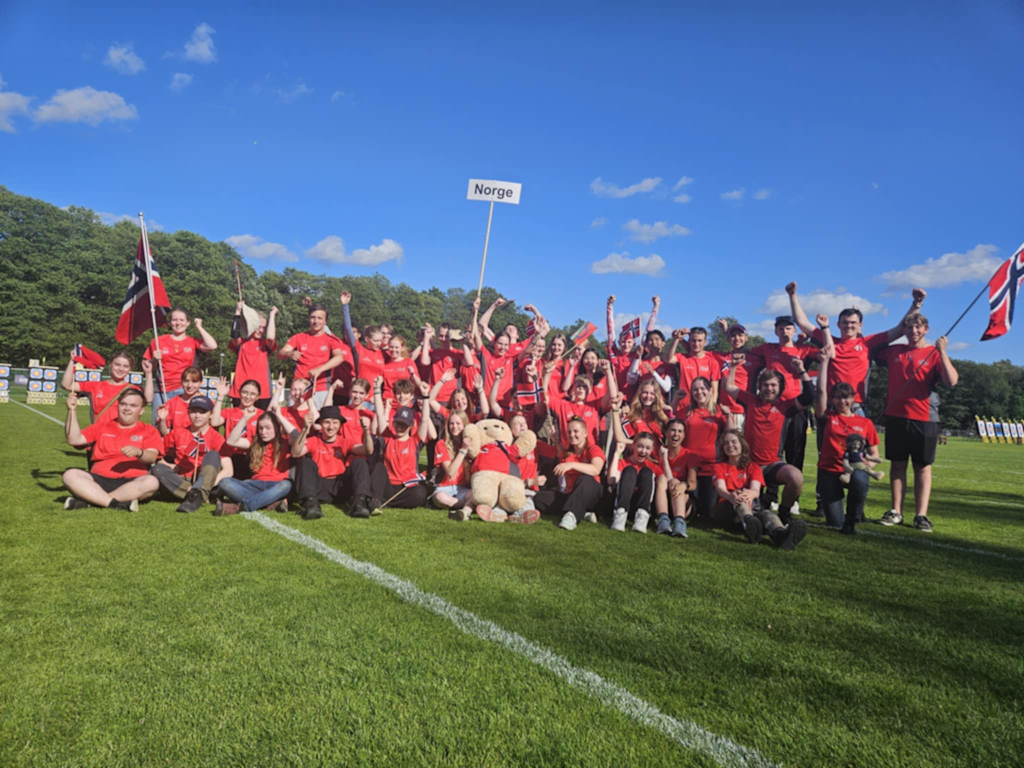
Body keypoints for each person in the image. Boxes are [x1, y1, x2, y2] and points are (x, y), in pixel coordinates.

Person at [874, 313, 959, 532]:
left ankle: (921, 515)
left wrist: (942, 351)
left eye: (917, 327)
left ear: (926, 329)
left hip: (924, 418)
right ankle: (896, 511)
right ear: (903, 329)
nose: (913, 331)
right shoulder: (894, 351)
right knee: (897, 465)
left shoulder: (934, 353)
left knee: (922, 467)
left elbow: (951, 381)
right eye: (909, 327)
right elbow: (872, 347)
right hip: (896, 416)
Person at [724, 352, 815, 521]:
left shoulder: (786, 407)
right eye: (765, 385)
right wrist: (734, 367)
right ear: (760, 386)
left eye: (773, 385)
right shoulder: (750, 401)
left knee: (796, 477)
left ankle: (784, 512)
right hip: (749, 465)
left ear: (780, 387)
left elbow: (810, 395)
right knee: (743, 511)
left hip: (772, 464)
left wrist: (802, 371)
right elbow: (729, 387)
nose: (769, 388)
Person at [814, 346, 880, 534]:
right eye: (837, 398)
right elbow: (820, 392)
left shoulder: (865, 423)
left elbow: (875, 453)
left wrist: (867, 464)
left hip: (853, 470)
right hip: (829, 473)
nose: (842, 402)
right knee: (835, 523)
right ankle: (842, 517)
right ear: (832, 399)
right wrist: (824, 363)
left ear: (853, 398)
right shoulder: (827, 417)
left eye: (846, 398)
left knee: (860, 479)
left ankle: (853, 518)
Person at [62, 388, 162, 510]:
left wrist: (139, 452)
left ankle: (92, 500)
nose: (127, 408)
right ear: (118, 406)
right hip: (99, 480)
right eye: (123, 404)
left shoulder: (149, 430)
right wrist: (71, 410)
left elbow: (152, 457)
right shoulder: (102, 426)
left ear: (141, 410)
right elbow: (74, 440)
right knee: (70, 475)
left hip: (132, 482)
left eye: (133, 405)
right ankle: (114, 504)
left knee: (152, 482)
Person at [709, 430, 809, 549]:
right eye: (726, 443)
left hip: (752, 509)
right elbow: (720, 488)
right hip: (728, 510)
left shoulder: (754, 467)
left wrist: (751, 493)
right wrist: (730, 496)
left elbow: (755, 490)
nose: (730, 445)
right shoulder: (719, 467)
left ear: (742, 444)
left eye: (733, 442)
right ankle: (749, 524)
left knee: (766, 513)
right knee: (740, 501)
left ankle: (782, 535)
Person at [747, 315, 818, 478]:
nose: (784, 332)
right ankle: (769, 490)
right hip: (773, 407)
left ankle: (794, 490)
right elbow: (745, 350)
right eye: (781, 329)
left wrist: (809, 338)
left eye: (788, 328)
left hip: (796, 406)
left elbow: (826, 354)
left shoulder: (804, 349)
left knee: (796, 449)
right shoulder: (768, 348)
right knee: (771, 450)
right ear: (776, 332)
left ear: (794, 331)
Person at [292, 405, 375, 520]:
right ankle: (311, 504)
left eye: (335, 422)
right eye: (327, 422)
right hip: (319, 487)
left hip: (339, 487)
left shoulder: (344, 441)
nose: (331, 427)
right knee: (305, 462)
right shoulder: (314, 441)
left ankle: (359, 504)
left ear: (340, 425)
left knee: (360, 462)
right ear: (320, 424)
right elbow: (295, 453)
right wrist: (305, 429)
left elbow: (368, 450)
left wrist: (366, 431)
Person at [151, 394, 228, 514]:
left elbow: (228, 470)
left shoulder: (217, 438)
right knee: (157, 469)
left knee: (213, 455)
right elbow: (157, 455)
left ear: (211, 414)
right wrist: (169, 466)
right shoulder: (177, 433)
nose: (197, 416)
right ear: (188, 413)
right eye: (193, 411)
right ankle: (195, 495)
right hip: (180, 478)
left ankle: (198, 491)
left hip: (204, 479)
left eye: (202, 412)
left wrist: (208, 485)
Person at [217, 408, 299, 515]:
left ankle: (242, 506)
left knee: (286, 485)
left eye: (268, 428)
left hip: (276, 485)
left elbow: (297, 436)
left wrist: (279, 416)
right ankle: (270, 502)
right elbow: (231, 441)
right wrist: (244, 419)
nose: (263, 432)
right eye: (260, 428)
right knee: (224, 482)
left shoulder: (285, 441)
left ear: (277, 427)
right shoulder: (254, 442)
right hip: (254, 485)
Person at [143, 308, 218, 422]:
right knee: (159, 424)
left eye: (182, 320)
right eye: (174, 320)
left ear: (188, 322)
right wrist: (154, 359)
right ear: (170, 322)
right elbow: (148, 368)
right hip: (162, 389)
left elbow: (213, 346)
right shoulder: (158, 341)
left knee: (182, 424)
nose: (178, 323)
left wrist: (199, 327)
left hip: (184, 389)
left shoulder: (192, 341)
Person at [361, 400, 434, 514]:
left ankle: (386, 501)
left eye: (404, 425)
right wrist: (377, 392)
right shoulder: (387, 438)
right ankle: (376, 500)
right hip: (388, 485)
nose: (399, 427)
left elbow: (424, 420)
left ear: (411, 426)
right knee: (379, 467)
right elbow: (380, 414)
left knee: (420, 493)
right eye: (397, 423)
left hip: (406, 487)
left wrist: (425, 397)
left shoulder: (415, 441)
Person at [534, 417, 606, 531]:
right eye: (569, 432)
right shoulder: (567, 454)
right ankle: (582, 513)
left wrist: (572, 465)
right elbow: (562, 453)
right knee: (540, 498)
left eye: (576, 431)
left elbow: (596, 469)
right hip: (570, 494)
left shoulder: (593, 449)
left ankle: (571, 516)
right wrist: (557, 442)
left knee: (585, 479)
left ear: (585, 433)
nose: (572, 435)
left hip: (591, 494)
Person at [678, 377, 732, 520]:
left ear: (710, 390)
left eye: (702, 388)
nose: (699, 392)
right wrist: (675, 401)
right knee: (691, 510)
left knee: (708, 512)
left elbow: (731, 435)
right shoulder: (687, 412)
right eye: (695, 390)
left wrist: (728, 416)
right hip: (691, 467)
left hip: (711, 467)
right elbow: (672, 426)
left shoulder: (719, 411)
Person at [277, 302, 347, 409]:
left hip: (321, 388)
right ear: (308, 319)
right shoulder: (299, 337)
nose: (316, 321)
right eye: (313, 317)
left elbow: (339, 357)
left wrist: (320, 369)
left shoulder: (331, 340)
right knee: (294, 417)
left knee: (321, 418)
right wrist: (288, 353)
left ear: (325, 321)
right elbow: (280, 354)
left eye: (319, 318)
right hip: (299, 388)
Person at [61, 348, 153, 425]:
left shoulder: (133, 389)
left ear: (129, 369)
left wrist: (148, 373)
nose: (121, 369)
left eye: (125, 366)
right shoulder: (95, 386)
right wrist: (72, 361)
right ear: (110, 365)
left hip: (123, 436)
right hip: (99, 435)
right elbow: (67, 385)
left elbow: (148, 398)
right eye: (117, 365)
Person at [653, 419, 700, 537]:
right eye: (673, 430)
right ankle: (663, 520)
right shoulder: (657, 452)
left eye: (680, 431)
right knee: (662, 478)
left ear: (684, 435)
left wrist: (684, 485)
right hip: (662, 498)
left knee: (676, 482)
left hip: (682, 500)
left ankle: (679, 523)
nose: (676, 434)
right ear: (666, 432)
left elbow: (693, 483)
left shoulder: (690, 455)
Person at [608, 431, 663, 533]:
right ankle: (620, 515)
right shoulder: (624, 462)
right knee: (630, 470)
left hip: (642, 504)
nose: (643, 451)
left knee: (646, 472)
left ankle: (642, 517)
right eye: (640, 446)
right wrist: (617, 454)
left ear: (652, 450)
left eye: (647, 448)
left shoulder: (652, 466)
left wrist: (664, 459)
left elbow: (665, 482)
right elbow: (611, 480)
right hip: (624, 502)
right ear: (633, 446)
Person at [212, 377, 263, 482]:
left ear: (258, 397)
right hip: (232, 456)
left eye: (253, 394)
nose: (248, 397)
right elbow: (214, 422)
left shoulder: (261, 414)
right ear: (239, 393)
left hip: (252, 456)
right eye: (245, 392)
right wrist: (220, 397)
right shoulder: (230, 412)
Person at [229, 302, 278, 409]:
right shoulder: (242, 343)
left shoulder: (265, 344)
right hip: (240, 390)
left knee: (261, 419)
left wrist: (272, 316)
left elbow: (270, 338)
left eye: (264, 328)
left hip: (262, 392)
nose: (261, 330)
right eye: (258, 327)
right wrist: (237, 312)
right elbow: (234, 335)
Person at [662, 326, 721, 409]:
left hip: (703, 407)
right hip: (683, 407)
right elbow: (667, 359)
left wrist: (712, 408)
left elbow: (714, 390)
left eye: (699, 340)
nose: (696, 344)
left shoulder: (712, 362)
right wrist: (676, 339)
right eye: (693, 340)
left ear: (705, 341)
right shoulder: (682, 357)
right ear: (689, 341)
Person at [340, 292, 387, 387]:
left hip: (376, 394)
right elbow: (348, 329)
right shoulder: (359, 349)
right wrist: (345, 306)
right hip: (360, 391)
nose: (378, 344)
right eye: (375, 341)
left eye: (380, 340)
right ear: (366, 339)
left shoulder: (383, 354)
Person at [432, 410, 474, 517]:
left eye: (458, 423)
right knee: (440, 497)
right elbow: (450, 472)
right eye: (451, 423)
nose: (454, 426)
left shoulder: (472, 444)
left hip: (463, 488)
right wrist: (463, 450)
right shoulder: (441, 444)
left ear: (465, 425)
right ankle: (467, 506)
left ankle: (463, 511)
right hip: (444, 487)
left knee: (477, 494)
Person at [152, 366, 206, 436]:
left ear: (201, 383)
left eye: (194, 381)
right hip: (177, 441)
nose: (189, 385)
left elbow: (214, 427)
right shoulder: (171, 403)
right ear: (181, 382)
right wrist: (162, 420)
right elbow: (166, 434)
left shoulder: (207, 404)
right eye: (186, 381)